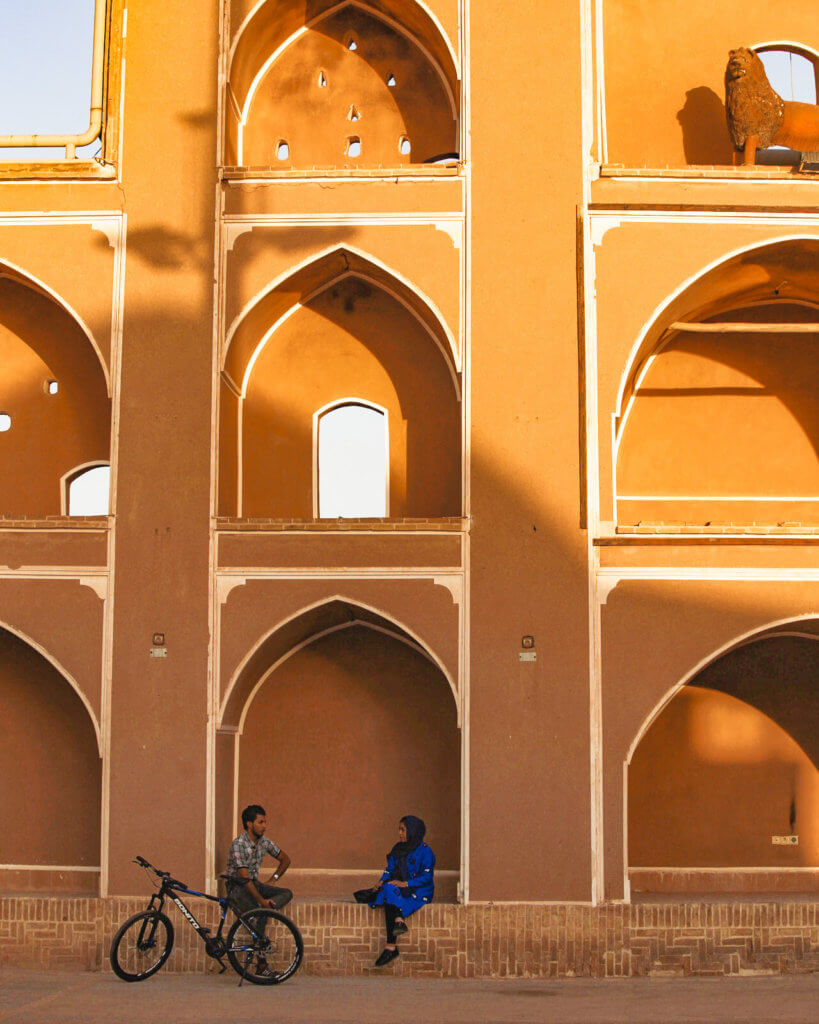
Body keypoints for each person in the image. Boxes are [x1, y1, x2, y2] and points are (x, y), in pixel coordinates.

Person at [368, 815, 434, 967]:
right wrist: (380, 881)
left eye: (403, 830)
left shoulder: (425, 851)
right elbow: (389, 870)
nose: (400, 833)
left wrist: (406, 883)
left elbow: (427, 877)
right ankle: (398, 922)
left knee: (390, 896)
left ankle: (391, 946)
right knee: (387, 888)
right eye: (399, 830)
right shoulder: (398, 849)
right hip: (400, 889)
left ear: (412, 831)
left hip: (419, 891)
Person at [226, 804, 293, 916]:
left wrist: (273, 879)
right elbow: (244, 878)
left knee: (287, 893)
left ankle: (267, 906)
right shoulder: (239, 844)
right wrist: (262, 901)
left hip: (254, 884)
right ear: (249, 824)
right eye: (260, 822)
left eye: (265, 822)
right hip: (237, 888)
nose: (264, 826)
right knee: (259, 912)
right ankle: (261, 912)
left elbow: (285, 860)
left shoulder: (264, 842)